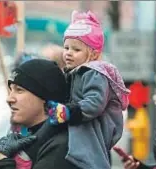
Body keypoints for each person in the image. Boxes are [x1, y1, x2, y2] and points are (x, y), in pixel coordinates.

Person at [47, 10, 130, 169]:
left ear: (93, 54)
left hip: (91, 129)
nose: (68, 53)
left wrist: (68, 111)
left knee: (89, 158)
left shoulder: (94, 72)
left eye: (76, 50)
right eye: (66, 48)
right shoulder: (75, 71)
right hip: (78, 127)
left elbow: (95, 103)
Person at [0, 59, 80, 169]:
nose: (9, 99)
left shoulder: (61, 147)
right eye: (11, 90)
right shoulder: (23, 138)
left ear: (45, 98)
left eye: (19, 90)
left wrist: (1, 159)